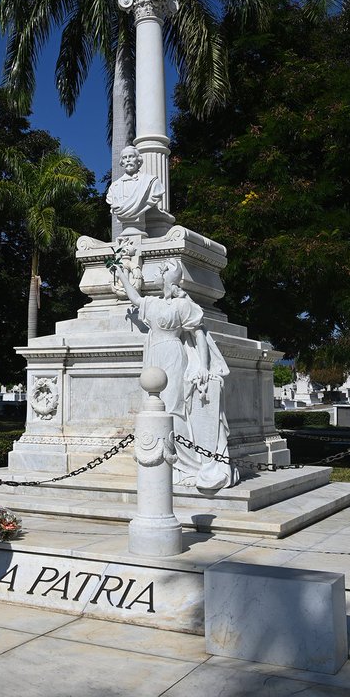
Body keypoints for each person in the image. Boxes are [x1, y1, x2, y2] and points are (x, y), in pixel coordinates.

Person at [113, 258, 237, 491]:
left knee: (172, 408)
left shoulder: (182, 305)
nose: (158, 276)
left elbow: (199, 334)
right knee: (154, 406)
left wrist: (202, 365)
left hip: (173, 355)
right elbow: (135, 299)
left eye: (162, 273)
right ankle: (163, 459)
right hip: (154, 355)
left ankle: (185, 464)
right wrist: (121, 275)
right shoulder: (153, 302)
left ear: (169, 279)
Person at [106, 145, 165, 234]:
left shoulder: (151, 181)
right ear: (122, 162)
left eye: (131, 156)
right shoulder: (114, 187)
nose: (128, 160)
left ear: (138, 160)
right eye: (125, 158)